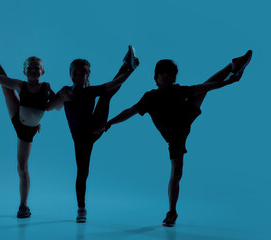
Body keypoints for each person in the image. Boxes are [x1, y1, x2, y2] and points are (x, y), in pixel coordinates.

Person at [97, 50, 252, 227]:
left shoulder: (179, 91)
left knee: (206, 86)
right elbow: (130, 112)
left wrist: (228, 82)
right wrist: (110, 122)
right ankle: (172, 211)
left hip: (186, 115)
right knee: (176, 172)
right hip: (176, 136)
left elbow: (207, 87)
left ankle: (233, 65)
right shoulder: (150, 97)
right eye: (162, 73)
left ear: (174, 77)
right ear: (156, 77)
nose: (166, 76)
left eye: (170, 73)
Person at [48, 45, 139, 222]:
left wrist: (130, 71)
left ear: (87, 75)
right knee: (82, 171)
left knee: (106, 95)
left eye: (82, 74)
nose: (78, 76)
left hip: (94, 128)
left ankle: (127, 65)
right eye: (75, 73)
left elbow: (114, 84)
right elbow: (49, 107)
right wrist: (61, 98)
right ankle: (81, 208)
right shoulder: (65, 90)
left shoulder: (90, 91)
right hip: (80, 138)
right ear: (70, 74)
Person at [0, 31, 56, 218]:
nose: (33, 70)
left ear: (42, 71)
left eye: (37, 68)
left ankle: (23, 205)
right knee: (4, 81)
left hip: (26, 133)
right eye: (30, 67)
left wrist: (65, 97)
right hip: (17, 117)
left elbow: (55, 105)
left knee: (22, 168)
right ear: (25, 71)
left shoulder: (46, 88)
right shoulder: (21, 85)